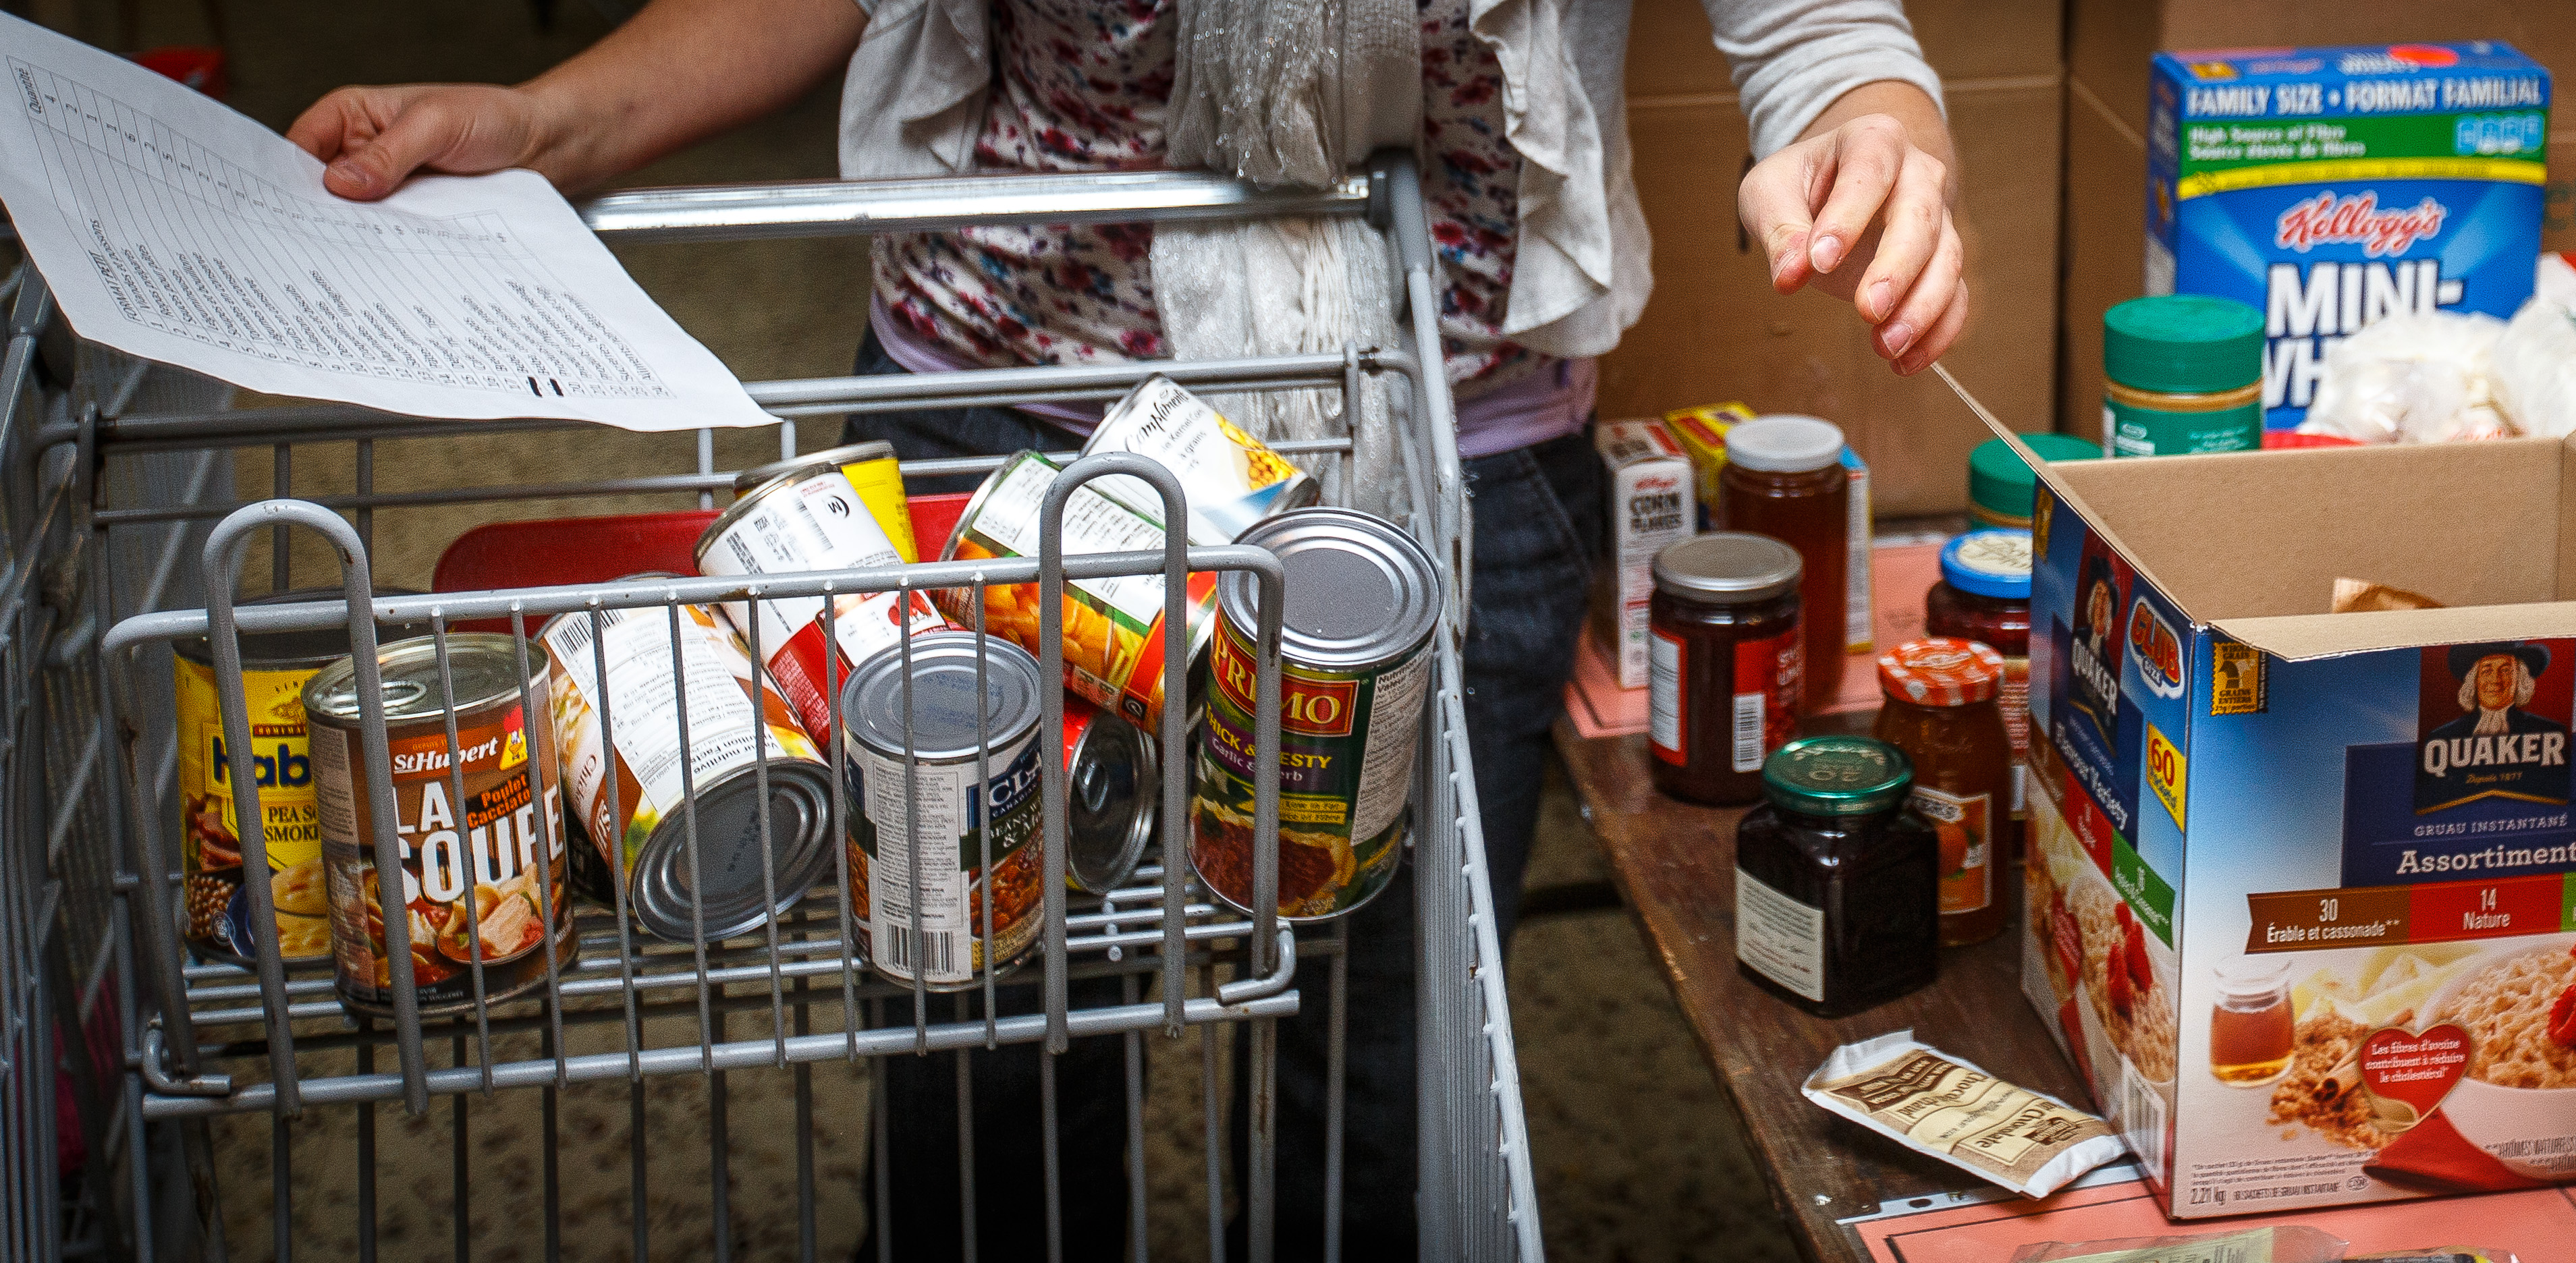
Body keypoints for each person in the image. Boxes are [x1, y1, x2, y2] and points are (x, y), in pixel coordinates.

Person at [290, 0, 1967, 1257]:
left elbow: (1820, 31)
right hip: (995, 434)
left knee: (1374, 1065)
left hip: (1428, 445)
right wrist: (549, 117)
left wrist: (1873, 127)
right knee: (981, 1040)